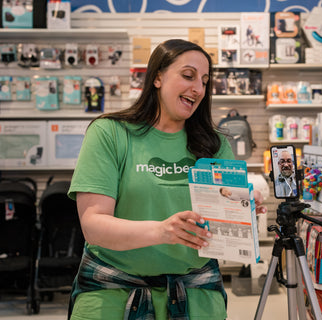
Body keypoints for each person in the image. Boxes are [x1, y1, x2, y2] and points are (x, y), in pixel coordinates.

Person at [67, 39, 266, 320]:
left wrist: (241, 212)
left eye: (205, 80)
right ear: (157, 77)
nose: (198, 88)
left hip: (196, 296)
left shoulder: (214, 144)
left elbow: (220, 230)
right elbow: (93, 226)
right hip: (111, 294)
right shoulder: (109, 133)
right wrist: (163, 231)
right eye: (188, 75)